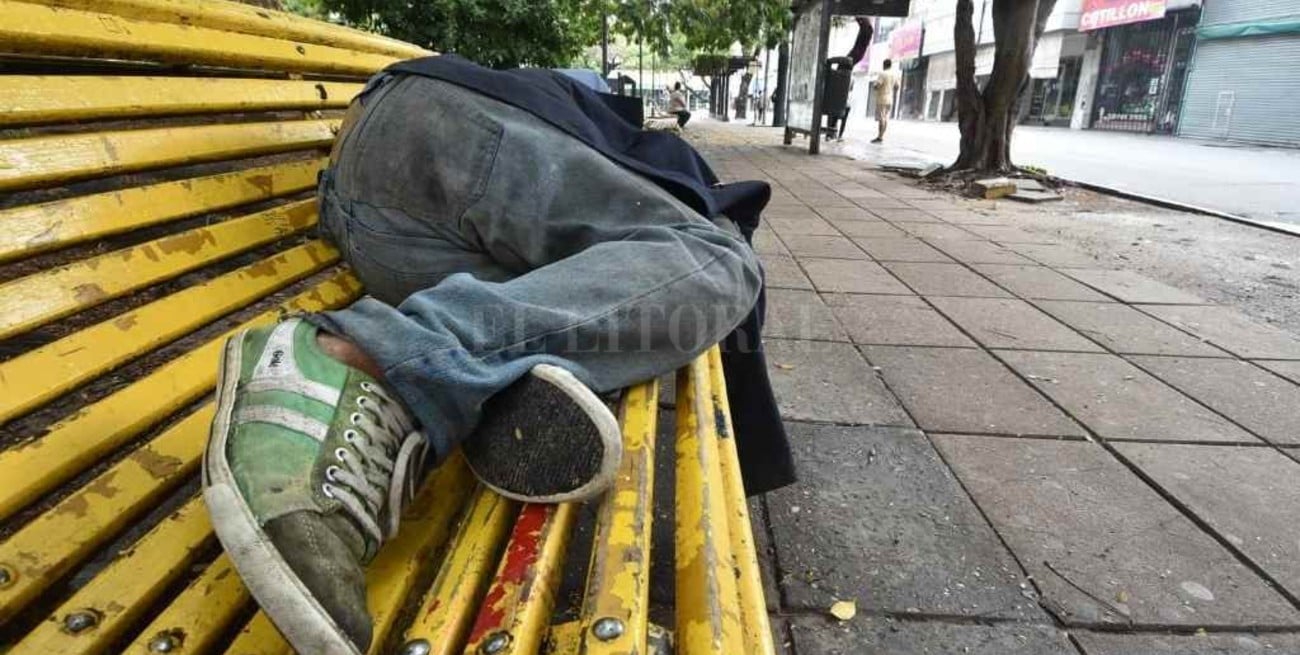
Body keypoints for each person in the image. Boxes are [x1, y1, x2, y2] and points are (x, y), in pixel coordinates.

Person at [202, 56, 779, 655]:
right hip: (436, 139)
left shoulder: (581, 123)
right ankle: (360, 361)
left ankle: (476, 384)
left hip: (383, 225)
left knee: (564, 296)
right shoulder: (597, 124)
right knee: (720, 260)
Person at [872, 58, 901, 144]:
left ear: (884, 65)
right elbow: (897, 87)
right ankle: (881, 136)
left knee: (881, 118)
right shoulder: (895, 75)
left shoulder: (883, 74)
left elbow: (877, 85)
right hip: (890, 99)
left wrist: (875, 86)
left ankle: (879, 137)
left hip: (882, 98)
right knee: (885, 118)